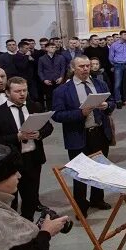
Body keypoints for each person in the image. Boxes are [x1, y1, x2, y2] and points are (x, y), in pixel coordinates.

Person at [0, 76, 55, 221]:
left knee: (31, 198)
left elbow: (49, 126)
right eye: (17, 91)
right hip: (11, 163)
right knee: (11, 200)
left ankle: (28, 226)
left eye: (24, 90)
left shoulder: (35, 106)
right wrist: (16, 137)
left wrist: (39, 133)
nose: (22, 94)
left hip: (33, 159)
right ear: (7, 93)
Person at [51, 55, 115, 216]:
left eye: (87, 66)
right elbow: (57, 115)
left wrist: (107, 105)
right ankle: (80, 206)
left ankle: (97, 199)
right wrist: (80, 113)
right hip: (78, 135)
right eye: (81, 66)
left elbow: (112, 101)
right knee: (80, 173)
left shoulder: (99, 83)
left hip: (99, 132)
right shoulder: (63, 90)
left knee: (100, 169)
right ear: (73, 68)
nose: (86, 69)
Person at [108, 31, 126, 105]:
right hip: (118, 65)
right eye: (125, 34)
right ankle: (118, 100)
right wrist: (115, 64)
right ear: (120, 35)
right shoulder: (114, 45)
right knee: (117, 84)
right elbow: (111, 57)